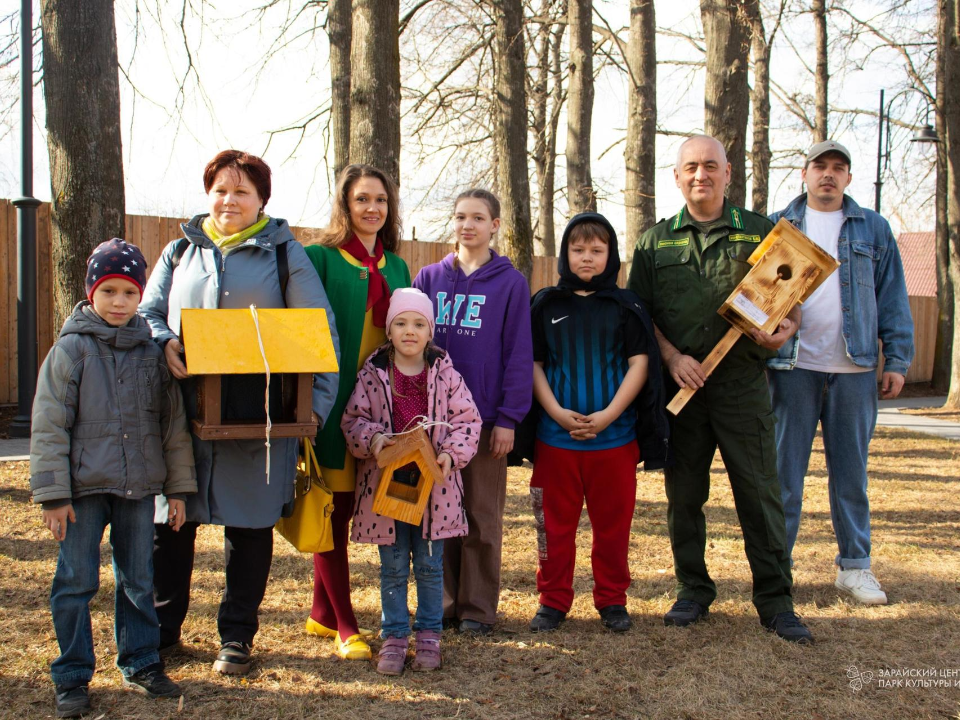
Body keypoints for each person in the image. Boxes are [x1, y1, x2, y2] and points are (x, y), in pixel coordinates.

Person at [140, 150, 340, 674]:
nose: (230, 200)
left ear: (261, 200)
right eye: (221, 190)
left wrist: (310, 413)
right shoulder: (179, 250)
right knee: (171, 525)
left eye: (242, 192)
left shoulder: (284, 255)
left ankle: (237, 637)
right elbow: (146, 313)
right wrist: (163, 341)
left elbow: (320, 334)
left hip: (260, 418)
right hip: (181, 418)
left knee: (249, 528)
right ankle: (164, 633)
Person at [628, 135, 813, 643]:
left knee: (759, 495)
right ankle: (692, 590)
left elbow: (791, 303)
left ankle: (776, 600)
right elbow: (640, 316)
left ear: (728, 173)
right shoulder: (654, 242)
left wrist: (784, 330)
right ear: (677, 176)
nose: (700, 175)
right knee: (684, 496)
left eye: (710, 166)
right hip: (682, 391)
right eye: (690, 167)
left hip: (741, 387)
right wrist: (672, 357)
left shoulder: (761, 234)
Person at [29, 239, 197, 718]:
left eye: (129, 293)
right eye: (110, 292)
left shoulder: (151, 353)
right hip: (82, 491)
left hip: (139, 490)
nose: (120, 303)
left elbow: (172, 428)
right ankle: (72, 673)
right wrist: (54, 495)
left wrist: (179, 491)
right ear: (91, 293)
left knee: (138, 580)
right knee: (76, 581)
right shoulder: (71, 351)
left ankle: (142, 659)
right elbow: (49, 425)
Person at [767, 140, 913, 604]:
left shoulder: (873, 228)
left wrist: (900, 360)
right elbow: (757, 299)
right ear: (804, 174)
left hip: (855, 369)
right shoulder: (779, 226)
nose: (828, 175)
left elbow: (892, 297)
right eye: (820, 166)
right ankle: (777, 567)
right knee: (783, 475)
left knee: (851, 475)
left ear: (849, 178)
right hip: (792, 367)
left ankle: (855, 567)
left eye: (838, 168)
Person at [526, 212, 668, 634]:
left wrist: (608, 416)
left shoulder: (627, 306)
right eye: (578, 249)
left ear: (612, 256)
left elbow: (640, 363)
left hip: (615, 441)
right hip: (555, 441)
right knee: (552, 528)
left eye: (597, 250)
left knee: (613, 527)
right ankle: (553, 600)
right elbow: (532, 364)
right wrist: (554, 412)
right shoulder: (545, 303)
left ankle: (611, 599)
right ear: (565, 253)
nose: (587, 258)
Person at [341, 288, 482, 674]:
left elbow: (467, 423)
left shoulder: (446, 375)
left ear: (430, 331)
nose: (409, 331)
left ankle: (429, 637)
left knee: (431, 566)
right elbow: (352, 421)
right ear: (388, 330)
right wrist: (374, 439)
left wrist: (450, 455)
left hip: (434, 490)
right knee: (393, 566)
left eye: (419, 324)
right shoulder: (373, 376)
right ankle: (394, 636)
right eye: (401, 323)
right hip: (388, 490)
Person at [302, 164, 411, 661]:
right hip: (331, 400)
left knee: (357, 506)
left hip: (379, 405)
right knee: (333, 509)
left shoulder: (399, 268)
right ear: (345, 205)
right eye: (362, 199)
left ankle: (321, 613)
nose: (372, 208)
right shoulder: (318, 259)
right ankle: (346, 624)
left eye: (381, 201)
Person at [412, 188, 533, 636]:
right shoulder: (428, 279)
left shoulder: (510, 282)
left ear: (495, 226)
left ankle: (477, 609)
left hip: (483, 421)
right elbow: (410, 345)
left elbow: (519, 353)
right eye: (461, 216)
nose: (468, 225)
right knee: (437, 515)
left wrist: (508, 418)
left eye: (478, 218)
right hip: (432, 422)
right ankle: (441, 603)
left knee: (481, 515)